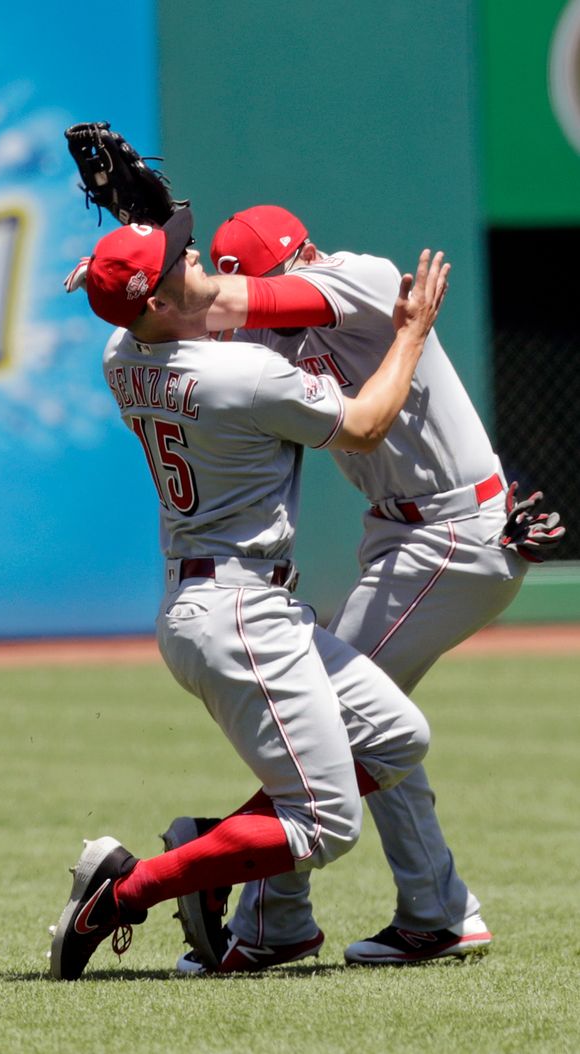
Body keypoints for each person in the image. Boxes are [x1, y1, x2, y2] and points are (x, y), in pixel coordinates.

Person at [48, 206, 449, 981]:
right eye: (178, 262)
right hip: (240, 615)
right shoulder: (237, 374)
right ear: (160, 304)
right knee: (328, 824)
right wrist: (411, 333)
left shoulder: (118, 354)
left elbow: (142, 309)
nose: (194, 256)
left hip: (227, 604)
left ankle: (203, 846)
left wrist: (117, 262)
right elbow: (365, 424)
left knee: (399, 738)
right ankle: (125, 893)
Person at [165, 204, 563, 974]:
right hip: (408, 533)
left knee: (326, 709)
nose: (258, 298)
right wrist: (137, 256)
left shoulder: (363, 277)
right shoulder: (261, 329)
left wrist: (188, 262)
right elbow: (184, 326)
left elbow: (237, 304)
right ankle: (435, 912)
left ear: (303, 254)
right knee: (368, 725)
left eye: (268, 279)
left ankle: (276, 920)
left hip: (449, 535)